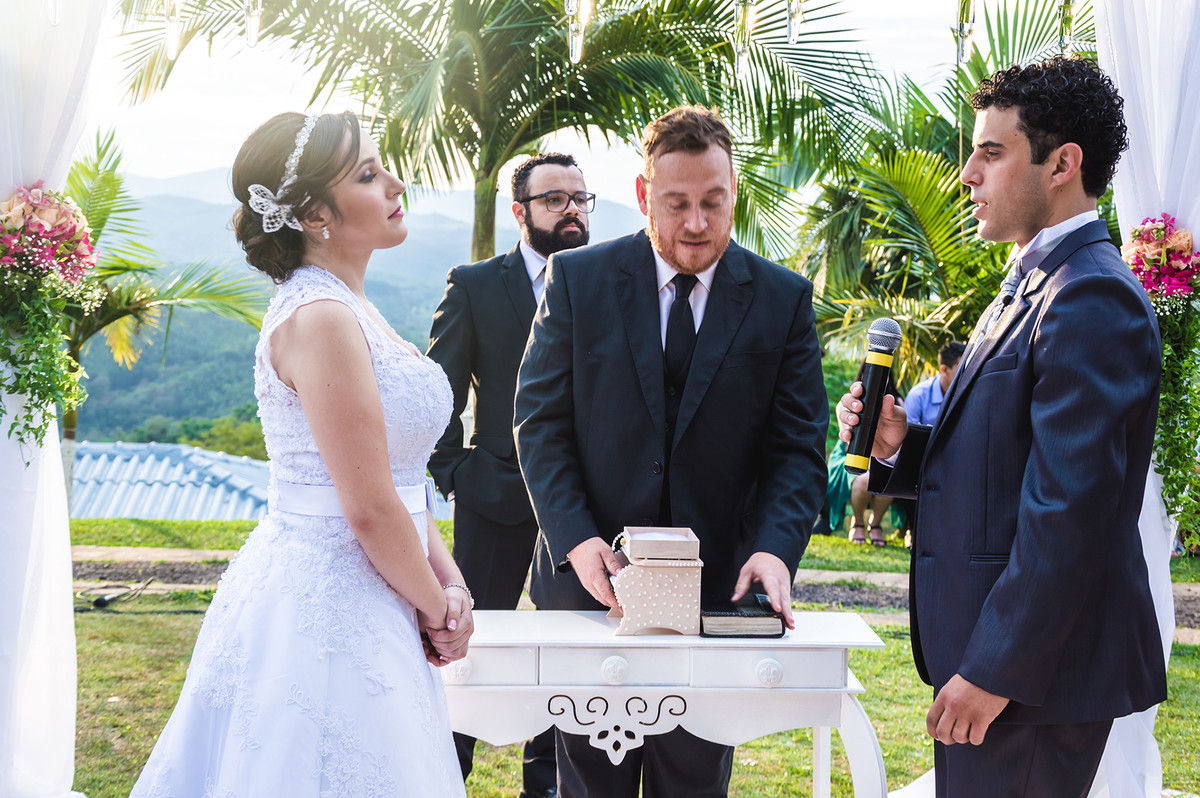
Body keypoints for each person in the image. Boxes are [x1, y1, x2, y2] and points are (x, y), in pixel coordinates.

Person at [837, 56, 1166, 797]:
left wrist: (995, 671)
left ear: (1062, 164)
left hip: (1031, 680)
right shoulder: (1029, 283)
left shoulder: (1091, 299)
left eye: (992, 152)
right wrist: (899, 444)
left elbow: (1070, 514)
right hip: (1000, 662)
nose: (966, 174)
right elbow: (1004, 464)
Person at [130, 111, 471, 796]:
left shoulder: (354, 306)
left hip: (386, 589)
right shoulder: (319, 319)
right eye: (370, 175)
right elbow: (369, 506)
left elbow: (402, 482)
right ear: (316, 213)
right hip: (328, 603)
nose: (396, 182)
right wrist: (437, 607)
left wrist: (451, 583)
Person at [514, 105, 828, 798]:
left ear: (734, 192)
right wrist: (577, 540)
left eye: (713, 203)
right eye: (677, 203)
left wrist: (776, 548)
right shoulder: (577, 281)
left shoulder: (783, 300)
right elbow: (539, 425)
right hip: (590, 588)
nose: (695, 224)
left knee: (694, 785)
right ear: (642, 195)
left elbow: (798, 451)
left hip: (719, 593)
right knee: (589, 786)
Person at [426, 151, 594, 798]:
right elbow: (441, 385)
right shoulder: (473, 283)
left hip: (580, 510)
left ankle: (546, 786)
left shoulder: (605, 279)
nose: (571, 208)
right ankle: (444, 777)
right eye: (555, 198)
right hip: (491, 493)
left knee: (567, 651)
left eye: (580, 197)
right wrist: (454, 471)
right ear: (520, 211)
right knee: (466, 646)